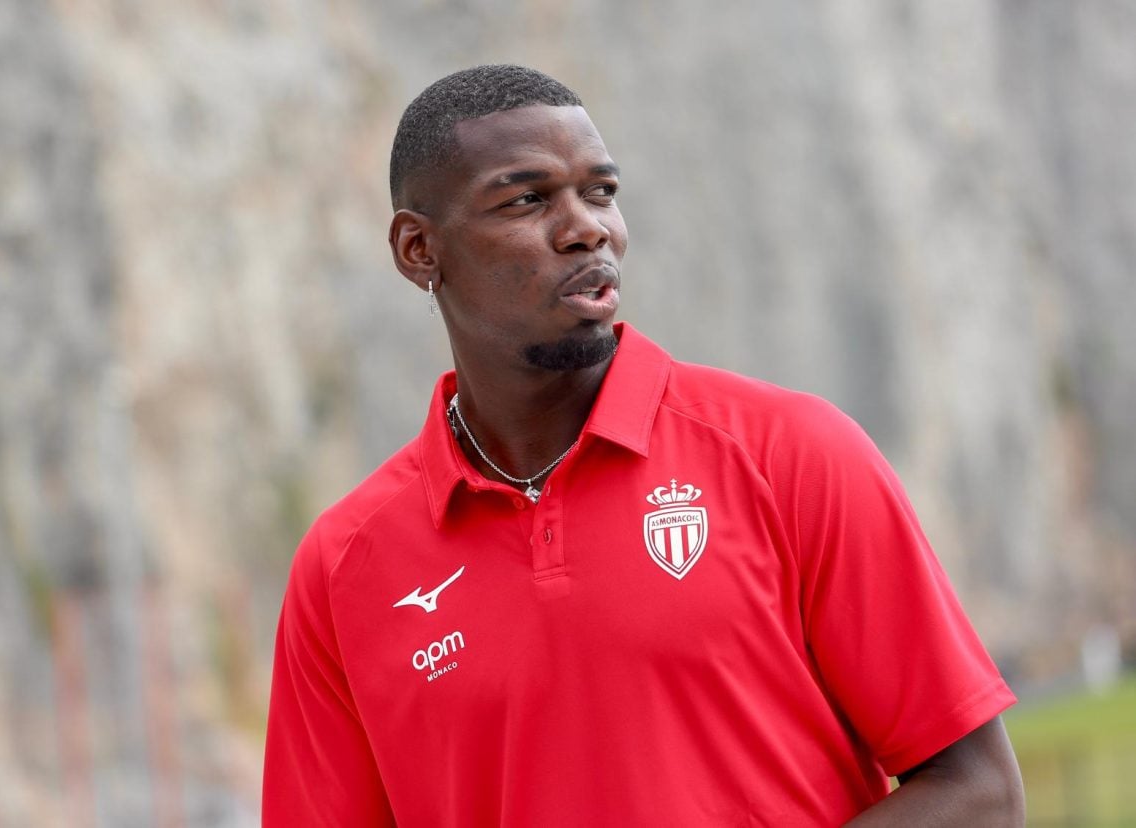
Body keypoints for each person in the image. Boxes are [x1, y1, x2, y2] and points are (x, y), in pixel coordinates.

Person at [263, 64, 1025, 826]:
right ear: (418, 250)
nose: (588, 228)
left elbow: (981, 795)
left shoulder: (791, 453)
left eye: (600, 192)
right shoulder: (341, 570)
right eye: (527, 199)